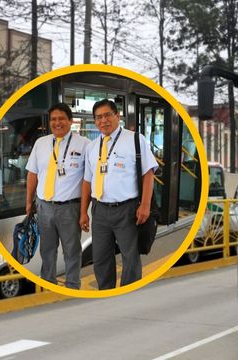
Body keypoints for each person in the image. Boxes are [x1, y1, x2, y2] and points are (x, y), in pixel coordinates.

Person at [80, 99, 158, 290]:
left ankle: (129, 294)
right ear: (94, 121)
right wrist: (84, 212)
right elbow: (87, 182)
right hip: (99, 210)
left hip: (127, 209)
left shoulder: (134, 139)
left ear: (117, 116)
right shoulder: (92, 147)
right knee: (100, 258)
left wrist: (145, 205)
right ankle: (106, 293)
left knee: (130, 257)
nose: (103, 120)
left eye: (107, 115)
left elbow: (148, 173)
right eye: (98, 117)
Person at [25, 103, 91, 289]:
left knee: (71, 250)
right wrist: (29, 202)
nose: (57, 123)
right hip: (44, 206)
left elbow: (88, 180)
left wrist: (84, 211)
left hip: (70, 207)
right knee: (47, 250)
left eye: (61, 118)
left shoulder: (85, 144)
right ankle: (48, 284)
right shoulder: (41, 143)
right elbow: (32, 174)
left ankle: (72, 285)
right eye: (53, 119)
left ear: (70, 120)